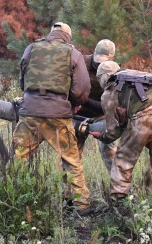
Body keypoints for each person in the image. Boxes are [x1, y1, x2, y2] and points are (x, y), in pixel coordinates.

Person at [12, 22, 95, 216]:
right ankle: (82, 206)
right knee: (71, 159)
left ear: (51, 34)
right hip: (58, 114)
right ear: (67, 36)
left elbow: (22, 80)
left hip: (30, 111)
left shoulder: (31, 48)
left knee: (19, 158)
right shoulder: (73, 53)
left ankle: (14, 200)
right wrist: (73, 103)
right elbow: (83, 88)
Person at [90, 61, 152, 202]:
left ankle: (119, 199)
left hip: (144, 118)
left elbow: (113, 131)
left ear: (102, 77)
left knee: (123, 159)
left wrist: (102, 137)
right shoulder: (139, 76)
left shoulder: (110, 92)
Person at [75, 39, 118, 172]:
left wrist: (84, 100)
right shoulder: (80, 63)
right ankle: (69, 190)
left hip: (101, 116)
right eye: (97, 60)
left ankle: (120, 187)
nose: (99, 64)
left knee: (109, 151)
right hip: (78, 115)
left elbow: (110, 105)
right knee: (71, 154)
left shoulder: (114, 71)